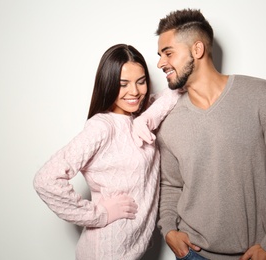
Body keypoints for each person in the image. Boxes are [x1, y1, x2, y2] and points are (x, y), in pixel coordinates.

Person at [142, 8, 266, 260]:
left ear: (196, 50)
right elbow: (170, 183)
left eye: (168, 53)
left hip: (253, 254)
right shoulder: (169, 120)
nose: (160, 63)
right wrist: (168, 229)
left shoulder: (261, 96)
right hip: (192, 254)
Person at [33, 43, 180, 260]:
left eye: (141, 82)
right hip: (106, 251)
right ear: (108, 84)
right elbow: (45, 180)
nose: (135, 92)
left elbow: (178, 90)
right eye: (123, 84)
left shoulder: (139, 117)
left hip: (131, 251)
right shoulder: (103, 126)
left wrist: (147, 118)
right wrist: (100, 215)